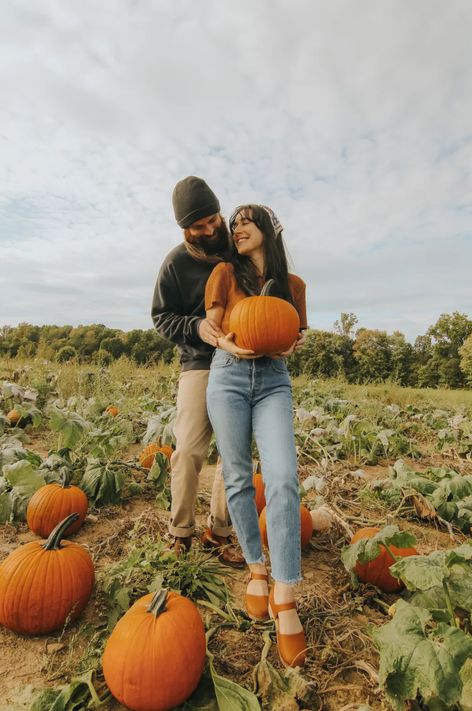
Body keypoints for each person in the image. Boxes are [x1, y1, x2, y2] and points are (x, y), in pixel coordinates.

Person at [205, 204, 308, 667]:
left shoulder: (295, 286)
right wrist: (222, 340)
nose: (237, 229)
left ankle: (285, 593)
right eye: (234, 226)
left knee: (283, 475)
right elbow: (212, 325)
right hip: (227, 376)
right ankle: (256, 570)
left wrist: (292, 342)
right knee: (238, 476)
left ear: (266, 228)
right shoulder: (225, 272)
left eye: (246, 221)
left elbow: (295, 335)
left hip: (272, 380)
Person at [151, 176, 246, 567]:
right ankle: (181, 532)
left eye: (213, 220)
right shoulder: (175, 262)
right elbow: (161, 318)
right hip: (199, 363)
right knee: (188, 448)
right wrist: (194, 326)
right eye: (199, 225)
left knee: (233, 454)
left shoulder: (236, 247)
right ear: (184, 227)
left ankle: (220, 531)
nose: (209, 230)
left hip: (241, 360)